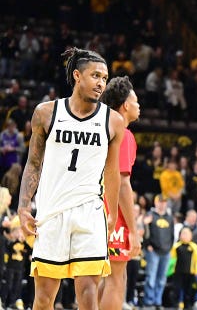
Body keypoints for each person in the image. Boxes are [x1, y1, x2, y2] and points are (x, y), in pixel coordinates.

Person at [17, 47, 124, 310]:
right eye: (95, 75)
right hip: (52, 212)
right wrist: (22, 206)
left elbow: (112, 172)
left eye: (105, 78)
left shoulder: (113, 121)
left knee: (88, 294)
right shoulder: (46, 113)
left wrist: (111, 213)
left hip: (90, 211)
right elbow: (33, 163)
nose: (101, 83)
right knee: (43, 300)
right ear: (77, 75)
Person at [97, 75, 142, 310]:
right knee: (117, 278)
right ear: (125, 105)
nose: (138, 105)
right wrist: (133, 230)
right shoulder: (123, 134)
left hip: (98, 211)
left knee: (100, 277)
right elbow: (123, 183)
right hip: (113, 213)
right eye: (135, 101)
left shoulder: (103, 130)